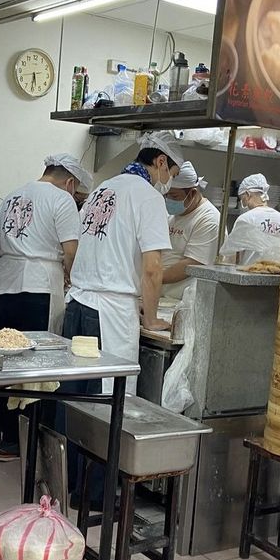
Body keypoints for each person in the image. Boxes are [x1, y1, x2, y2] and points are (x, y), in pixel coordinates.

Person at [0, 153, 91, 462]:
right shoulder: (61, 200)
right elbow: (71, 251)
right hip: (39, 288)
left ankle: (1, 427)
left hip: (2, 286)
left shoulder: (12, 196)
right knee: (38, 367)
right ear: (70, 182)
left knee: (5, 360)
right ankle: (20, 440)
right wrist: (72, 280)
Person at [64, 130, 183, 395]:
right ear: (161, 162)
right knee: (104, 400)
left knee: (73, 396)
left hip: (77, 305)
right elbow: (153, 268)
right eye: (171, 175)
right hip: (110, 316)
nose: (169, 183)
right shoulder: (149, 198)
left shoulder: (102, 189)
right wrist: (151, 319)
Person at [162, 161, 221, 299]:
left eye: (174, 196)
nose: (169, 200)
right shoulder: (173, 214)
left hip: (184, 300)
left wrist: (152, 277)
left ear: (193, 193)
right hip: (162, 295)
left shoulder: (209, 219)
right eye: (166, 195)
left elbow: (192, 264)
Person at [235, 173, 280, 264]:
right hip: (275, 271)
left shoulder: (246, 219)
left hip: (250, 271)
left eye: (242, 200)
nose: (243, 204)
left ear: (248, 194)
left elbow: (234, 252)